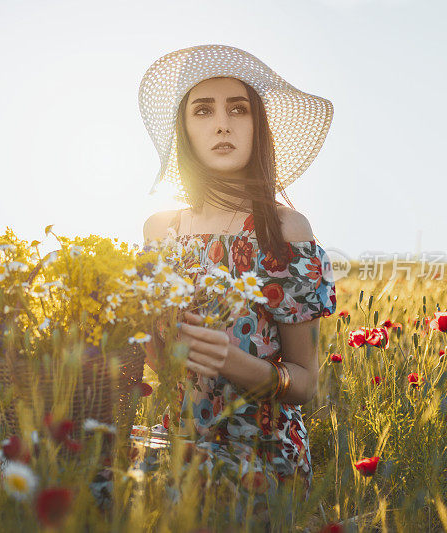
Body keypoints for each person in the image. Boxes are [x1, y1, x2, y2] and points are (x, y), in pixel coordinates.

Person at [130, 44, 337, 526]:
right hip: (178, 444)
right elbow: (159, 365)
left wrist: (235, 363)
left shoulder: (284, 230)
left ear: (256, 127)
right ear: (184, 130)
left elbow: (305, 382)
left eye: (237, 109)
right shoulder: (160, 231)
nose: (222, 124)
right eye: (203, 110)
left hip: (261, 456)